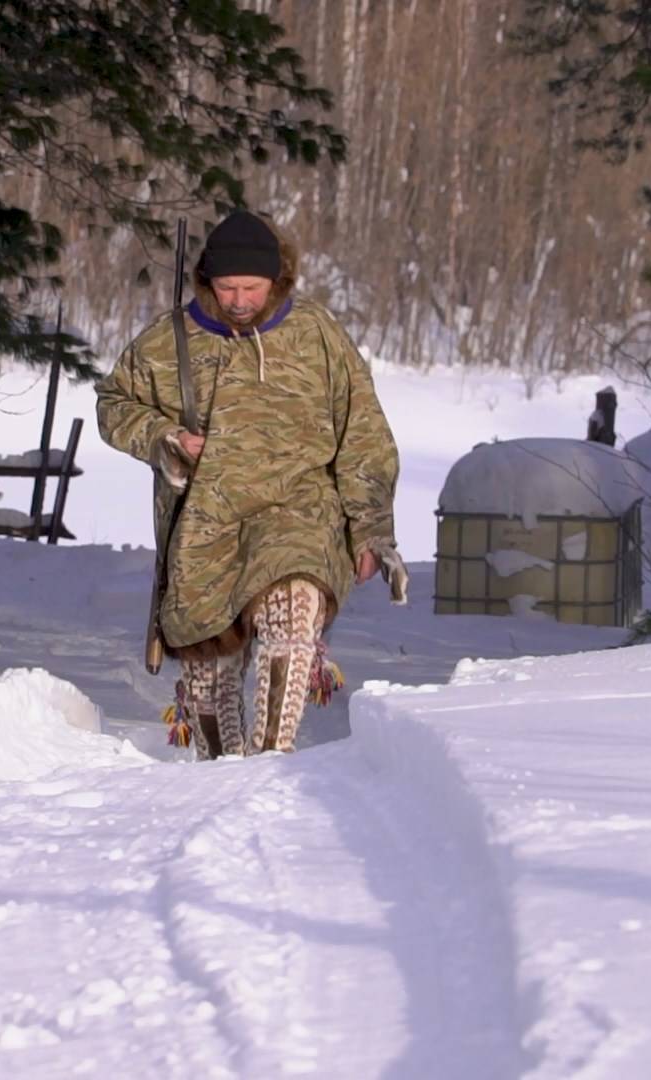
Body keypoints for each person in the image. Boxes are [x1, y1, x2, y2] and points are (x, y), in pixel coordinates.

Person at [96, 209, 405, 757]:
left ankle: (270, 759)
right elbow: (114, 405)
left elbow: (363, 433)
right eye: (228, 286)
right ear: (207, 281)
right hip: (205, 521)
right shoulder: (170, 341)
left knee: (293, 601)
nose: (239, 299)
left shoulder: (316, 333)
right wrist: (163, 436)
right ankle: (222, 768)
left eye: (252, 287)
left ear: (277, 280)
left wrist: (370, 528)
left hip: (300, 508)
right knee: (208, 665)